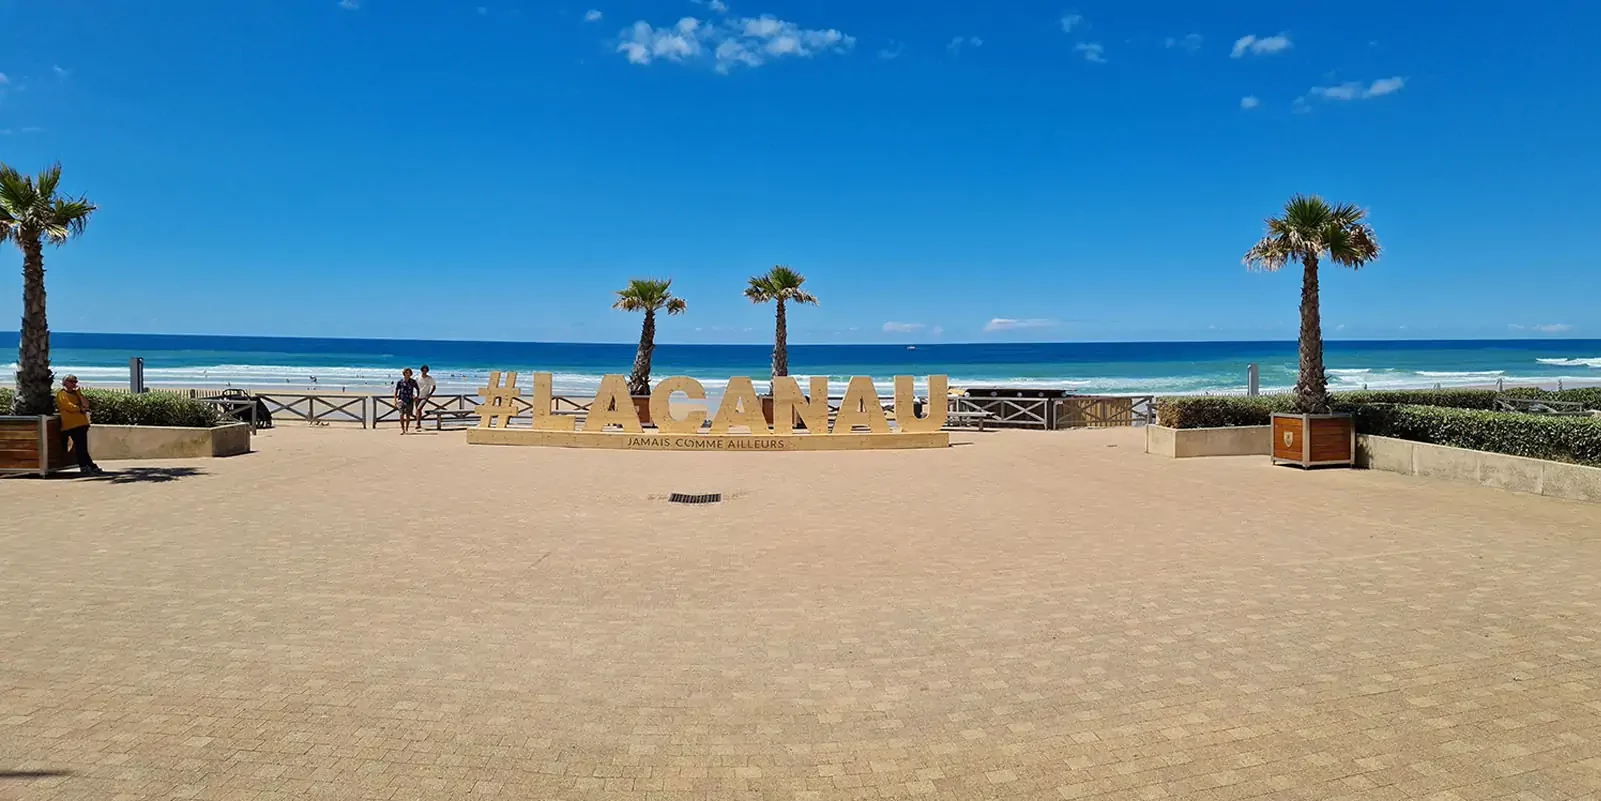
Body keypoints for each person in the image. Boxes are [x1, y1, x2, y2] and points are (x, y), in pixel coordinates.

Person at [56, 375, 104, 475]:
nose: (74, 384)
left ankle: (88, 465)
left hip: (82, 423)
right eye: (71, 381)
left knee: (82, 446)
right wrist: (79, 409)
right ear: (65, 383)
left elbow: (86, 404)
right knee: (80, 446)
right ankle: (86, 465)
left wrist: (79, 394)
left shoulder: (76, 394)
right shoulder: (61, 394)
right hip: (72, 424)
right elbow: (68, 406)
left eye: (75, 382)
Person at [394, 368, 420, 434]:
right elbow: (396, 390)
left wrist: (417, 396)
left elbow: (417, 389)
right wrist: (395, 400)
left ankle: (407, 429)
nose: (408, 374)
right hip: (401, 400)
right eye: (406, 373)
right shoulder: (400, 381)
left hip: (410, 400)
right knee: (401, 415)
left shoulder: (413, 381)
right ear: (404, 373)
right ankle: (403, 430)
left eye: (409, 373)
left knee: (408, 416)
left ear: (411, 374)